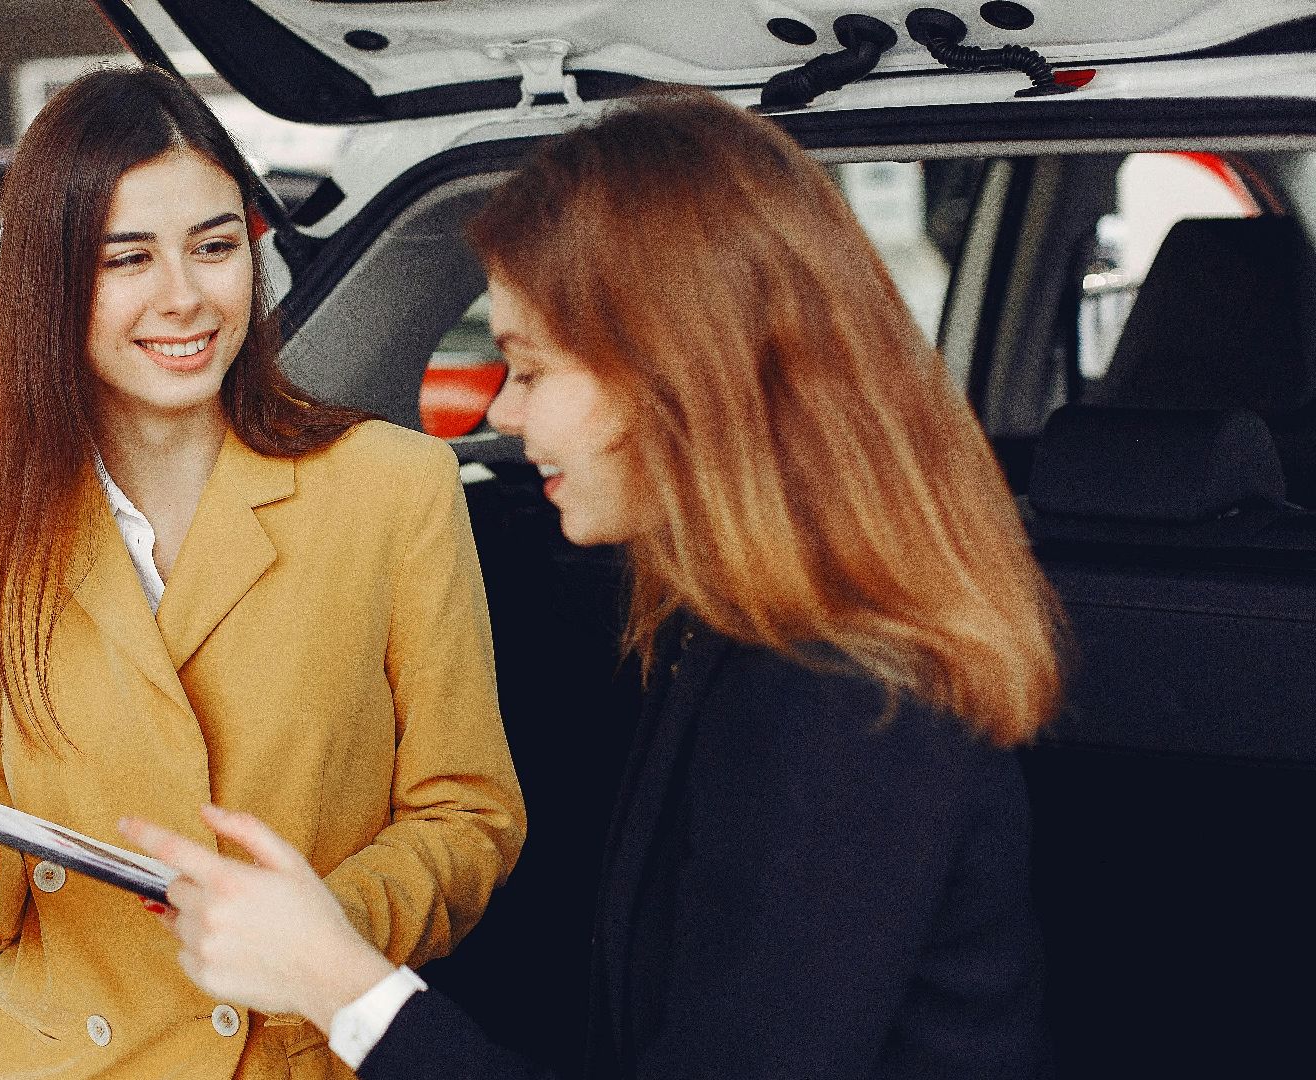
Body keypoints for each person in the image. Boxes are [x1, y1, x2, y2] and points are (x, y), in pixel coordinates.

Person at [121, 87, 1066, 1080]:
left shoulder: (839, 701)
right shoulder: (739, 631)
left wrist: (338, 984)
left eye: (528, 369)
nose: (503, 412)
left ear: (674, 378)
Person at [0, 66, 525, 1080]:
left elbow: (470, 819)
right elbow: (3, 907)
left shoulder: (394, 488)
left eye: (214, 248)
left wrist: (316, 939)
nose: (185, 297)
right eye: (129, 259)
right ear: (54, 281)